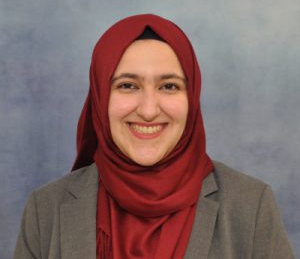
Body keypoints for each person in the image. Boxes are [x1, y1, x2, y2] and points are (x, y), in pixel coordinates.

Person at [14, 14, 294, 259]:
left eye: (169, 86)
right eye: (128, 85)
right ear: (100, 98)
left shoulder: (250, 205)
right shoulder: (45, 209)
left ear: (192, 97)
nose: (148, 110)